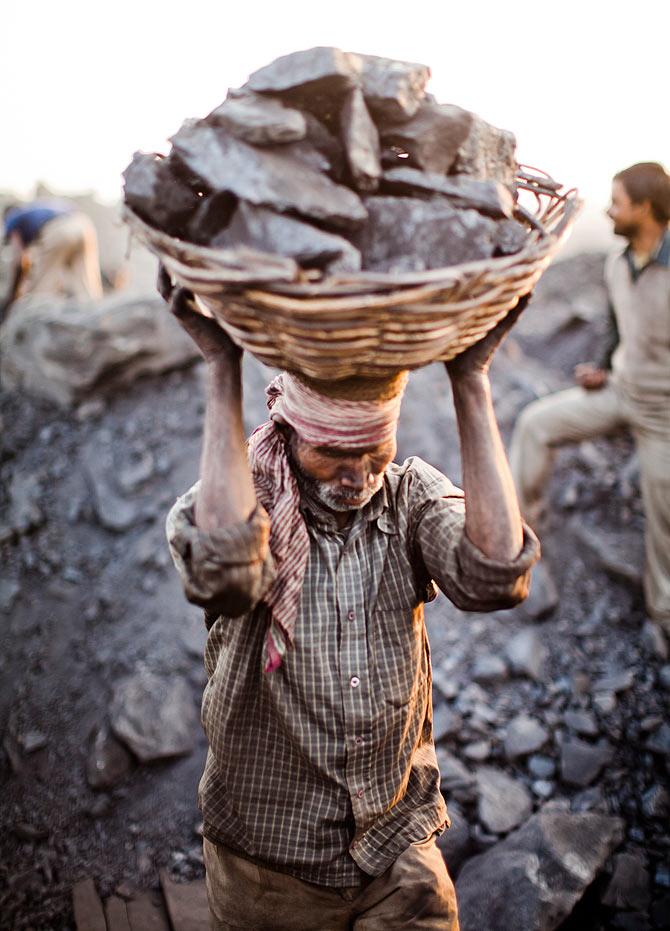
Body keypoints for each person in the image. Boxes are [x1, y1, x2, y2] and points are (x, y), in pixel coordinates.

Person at [162, 265, 539, 930]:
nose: (357, 474)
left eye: (373, 450)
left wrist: (470, 380)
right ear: (289, 428)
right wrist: (222, 364)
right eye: (334, 452)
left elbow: (495, 577)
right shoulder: (246, 496)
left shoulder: (410, 496)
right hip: (270, 869)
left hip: (398, 851)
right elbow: (221, 573)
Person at [510, 162, 670, 637]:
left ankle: (662, 617)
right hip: (619, 392)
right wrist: (601, 366)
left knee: (662, 512)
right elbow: (621, 328)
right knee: (535, 425)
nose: (609, 210)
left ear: (644, 208)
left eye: (617, 202)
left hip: (664, 414)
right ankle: (521, 547)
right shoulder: (617, 264)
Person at [1, 199, 103, 320]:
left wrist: (11, 296)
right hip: (83, 224)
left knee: (43, 288)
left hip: (60, 229)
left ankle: (36, 326)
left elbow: (19, 260)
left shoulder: (13, 218)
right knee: (86, 286)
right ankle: (98, 321)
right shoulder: (36, 211)